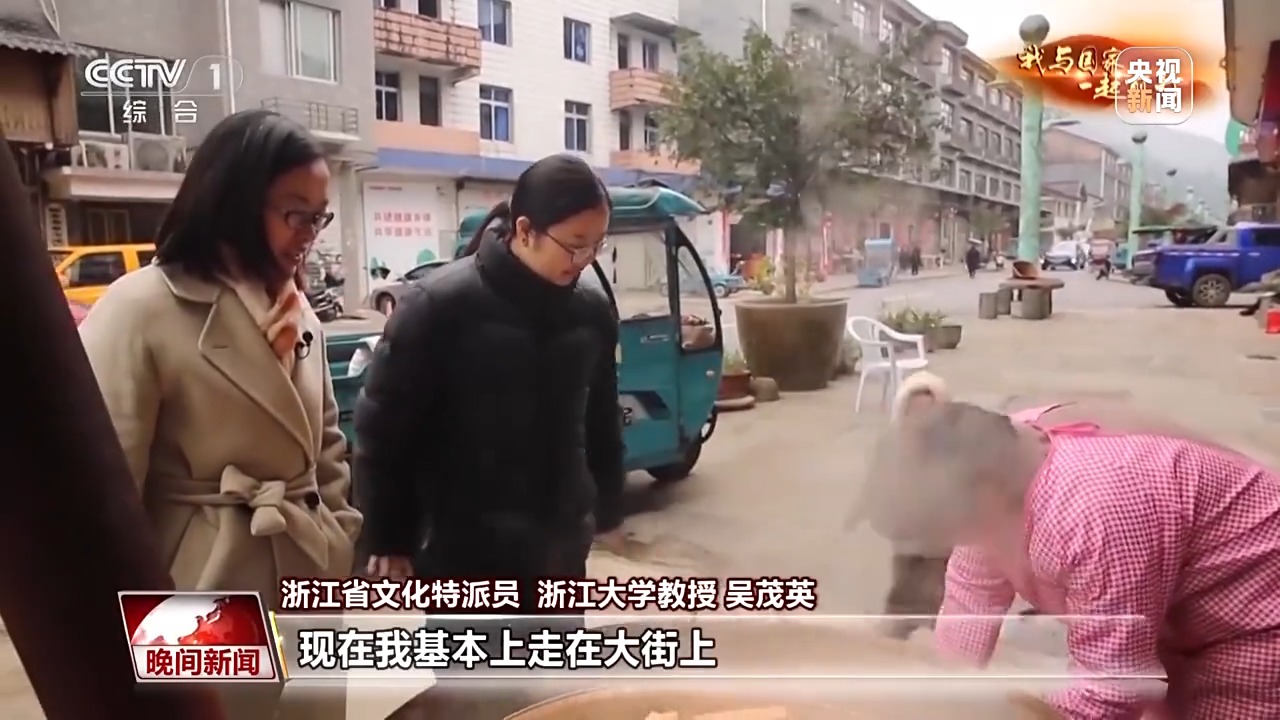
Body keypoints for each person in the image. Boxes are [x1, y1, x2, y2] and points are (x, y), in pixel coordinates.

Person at [78, 110, 361, 720]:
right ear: (234, 200)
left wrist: (338, 535)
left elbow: (327, 446)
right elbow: (103, 492)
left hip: (307, 573)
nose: (309, 234)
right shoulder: (141, 307)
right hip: (203, 582)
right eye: (296, 214)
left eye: (319, 216)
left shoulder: (298, 310)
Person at [860, 388, 1280, 718]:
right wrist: (940, 699)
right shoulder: (992, 460)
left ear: (980, 493)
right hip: (1175, 621)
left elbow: (1110, 686)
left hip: (1255, 621)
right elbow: (971, 599)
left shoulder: (1093, 511)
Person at [354, 154, 625, 609]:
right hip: (464, 558)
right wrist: (389, 537)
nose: (585, 260)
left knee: (556, 656)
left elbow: (601, 419)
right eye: (575, 245)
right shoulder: (438, 307)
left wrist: (608, 509)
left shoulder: (591, 314)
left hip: (559, 555)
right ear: (525, 230)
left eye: (597, 245)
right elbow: (383, 431)